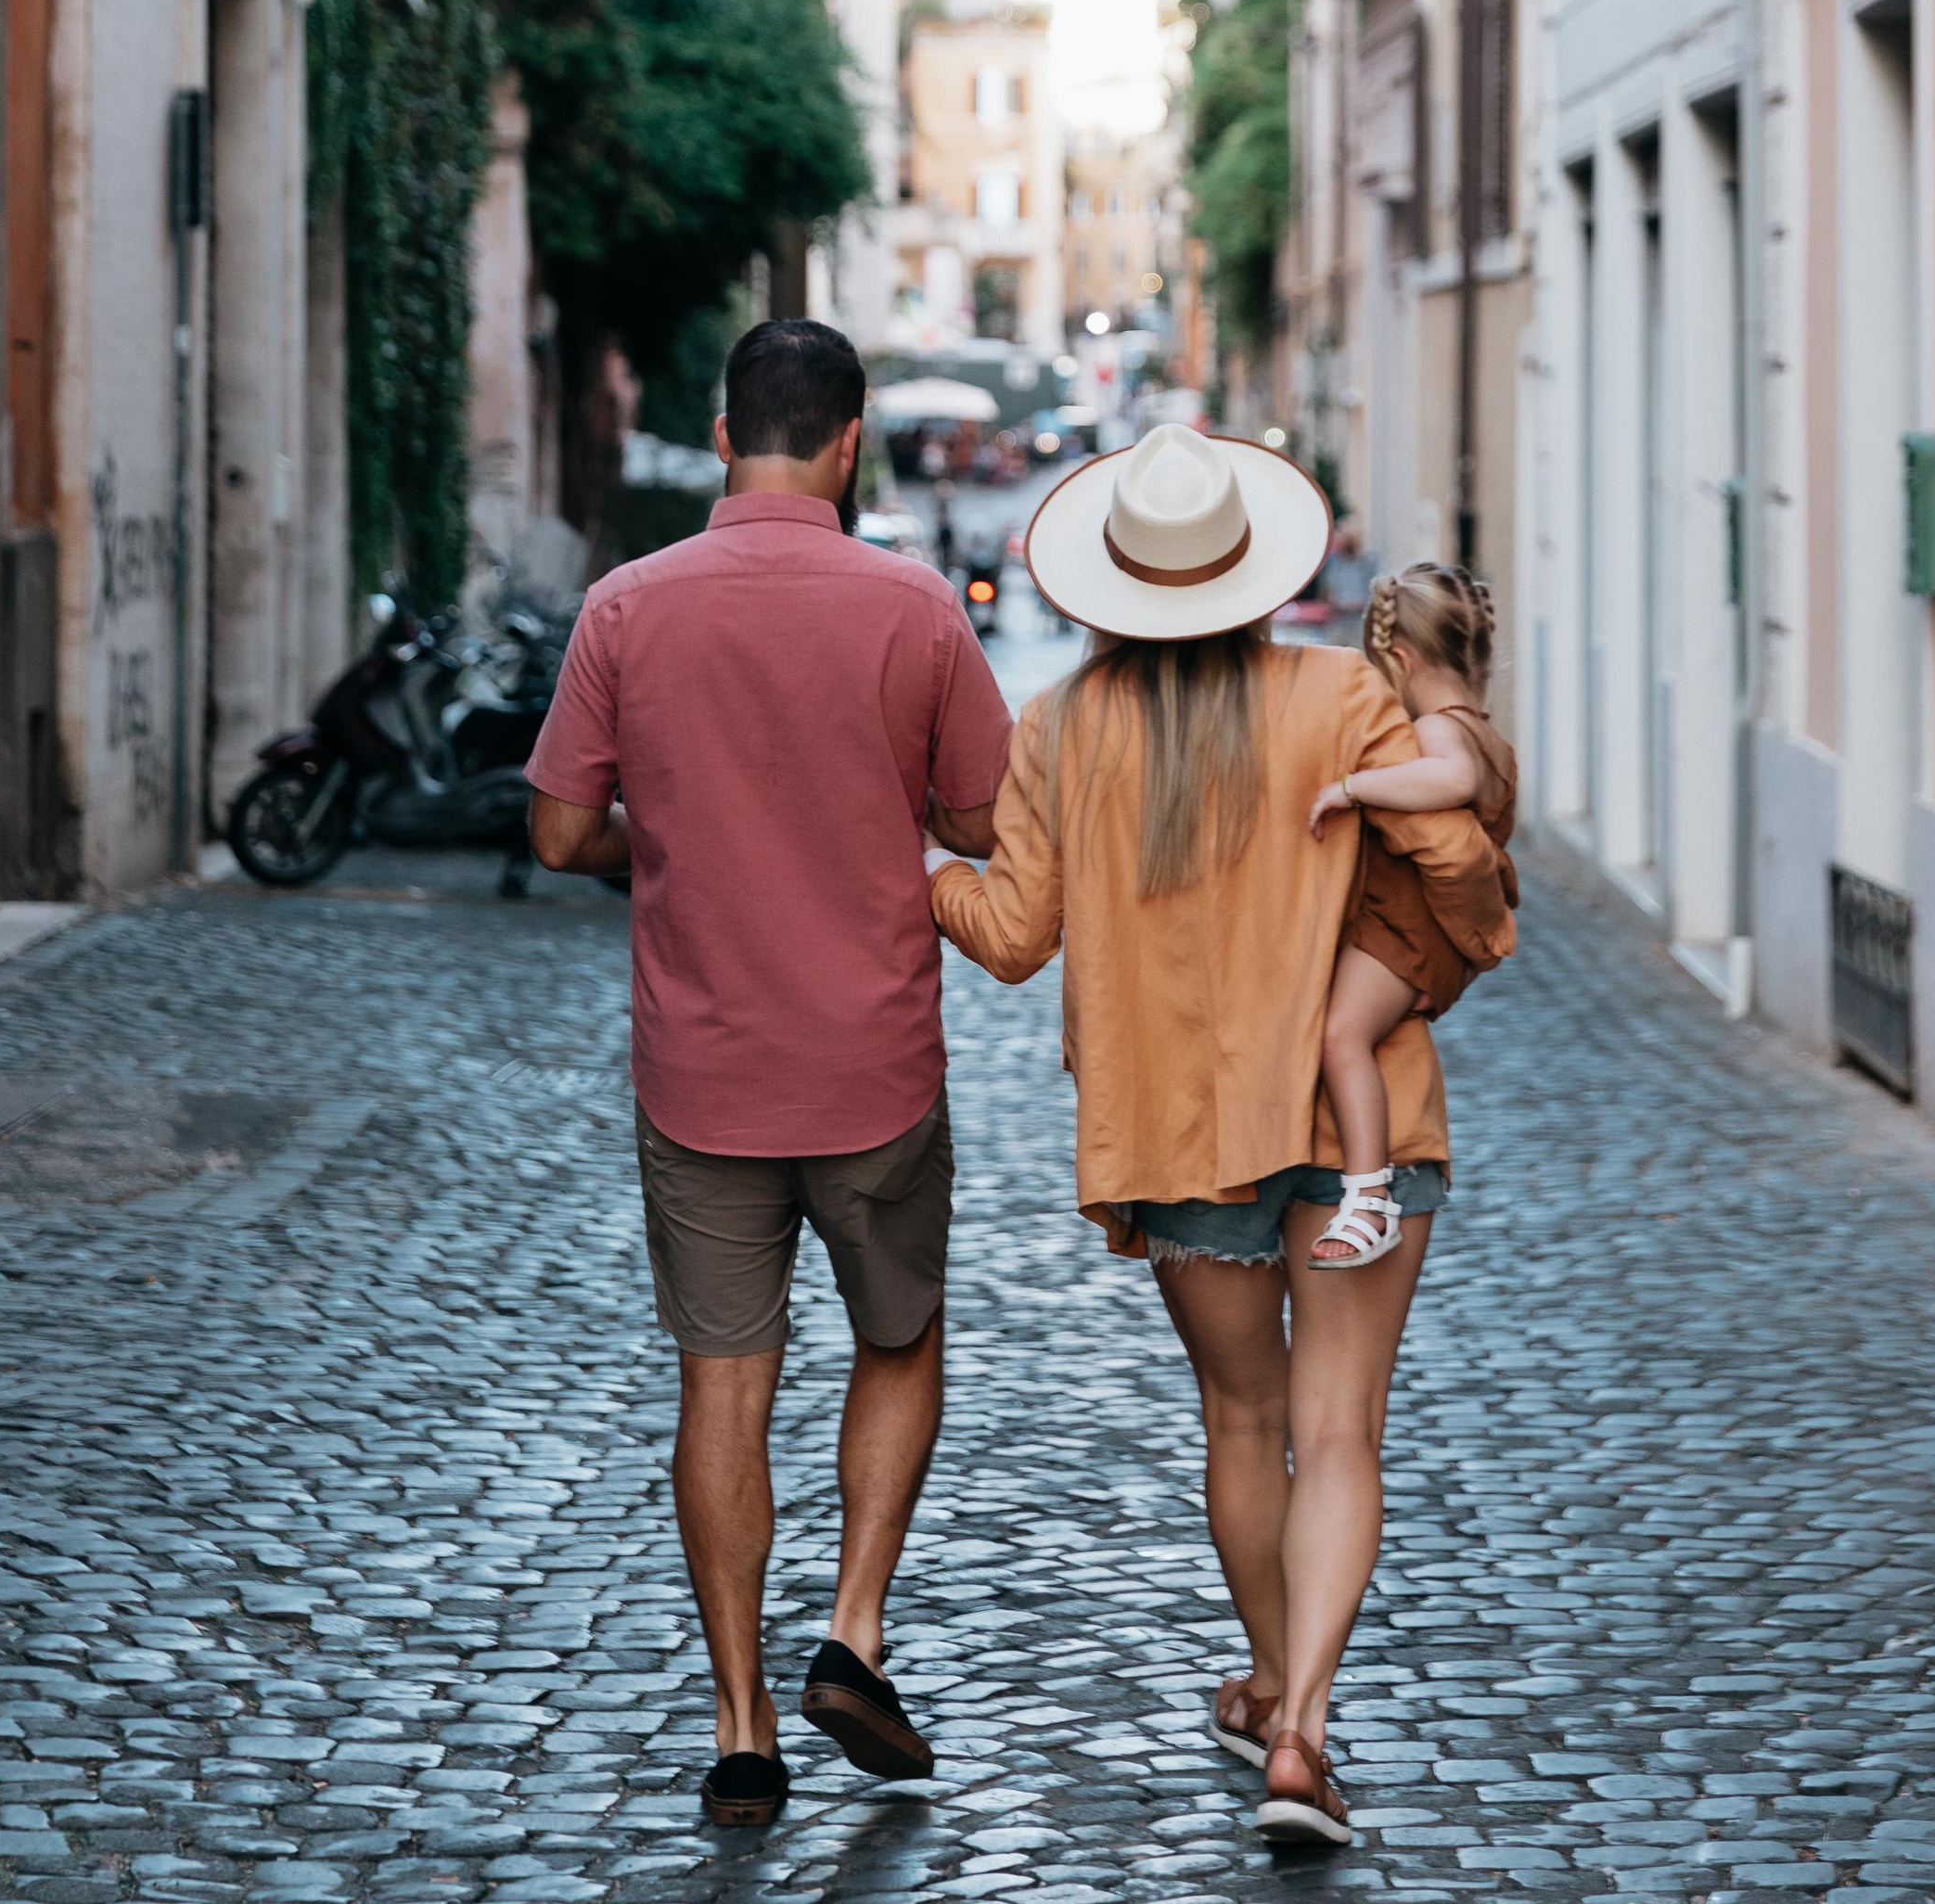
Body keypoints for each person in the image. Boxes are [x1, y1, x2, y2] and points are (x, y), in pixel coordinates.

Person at [928, 423, 1516, 1849]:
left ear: (1112, 582)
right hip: (1362, 1113)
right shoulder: (1339, 698)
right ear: (1256, 571)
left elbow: (1010, 938)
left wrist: (920, 872)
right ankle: (1301, 1729)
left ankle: (1269, 1682)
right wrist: (1412, 972)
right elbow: (1468, 877)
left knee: (1246, 1422)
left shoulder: (1066, 725)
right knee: (1342, 1434)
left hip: (1185, 1132)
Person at [527, 317, 1014, 1834]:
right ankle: (852, 1632)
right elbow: (991, 820)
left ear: (725, 437)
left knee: (720, 1389)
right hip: (872, 1062)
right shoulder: (915, 605)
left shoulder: (626, 606)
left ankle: (743, 1730)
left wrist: (660, 848)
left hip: (703, 1072)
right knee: (901, 1341)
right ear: (853, 443)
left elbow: (554, 834)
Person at [1303, 565, 1518, 1270]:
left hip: (1404, 932)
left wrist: (1349, 787)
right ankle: (1367, 1192)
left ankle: (1368, 1198)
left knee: (1341, 1034)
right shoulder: (1487, 733)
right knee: (1344, 1031)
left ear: (1399, 658)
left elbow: (1449, 781)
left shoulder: (1441, 730)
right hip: (1407, 932)